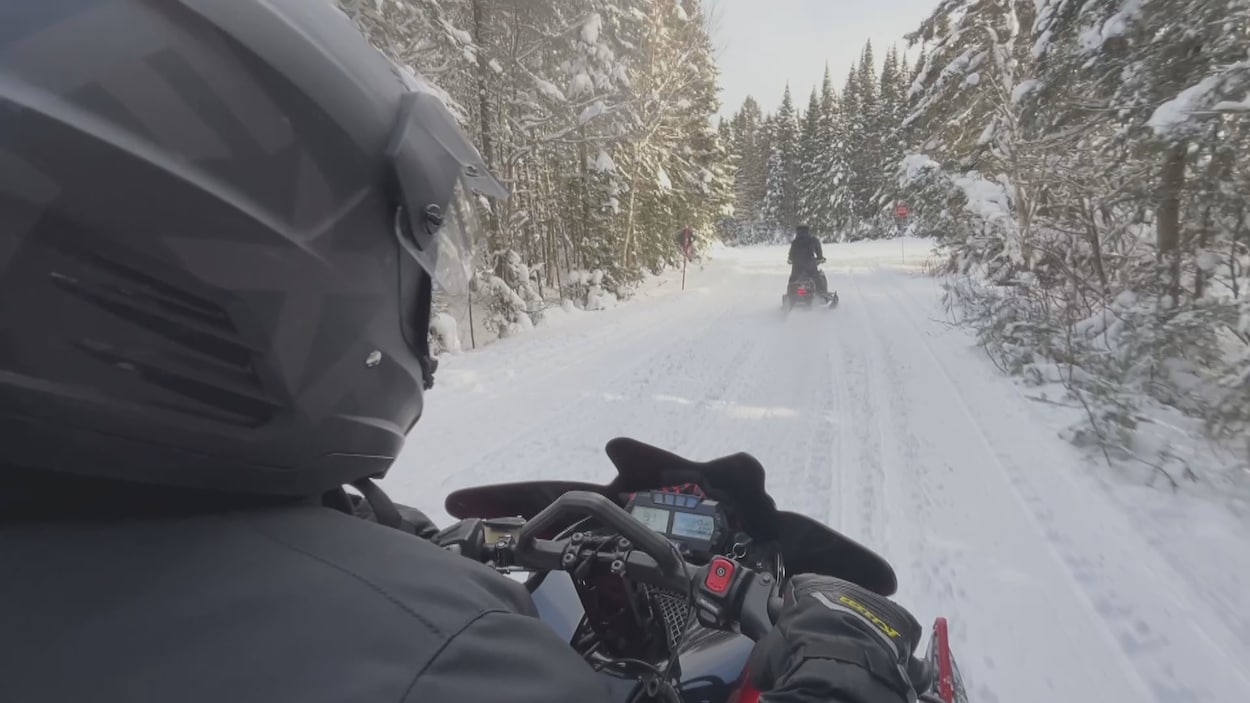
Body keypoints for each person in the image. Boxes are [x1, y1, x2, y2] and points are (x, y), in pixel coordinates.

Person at [0, 2, 922, 702]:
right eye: (413, 246)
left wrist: (380, 529)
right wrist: (837, 683)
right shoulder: (453, 661)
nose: (422, 286)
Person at [787, 224, 829, 297]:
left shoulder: (795, 242)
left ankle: (790, 294)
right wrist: (820, 258)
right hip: (810, 266)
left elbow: (791, 256)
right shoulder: (813, 240)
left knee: (792, 280)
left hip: (797, 268)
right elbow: (818, 251)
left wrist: (791, 260)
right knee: (817, 279)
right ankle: (821, 294)